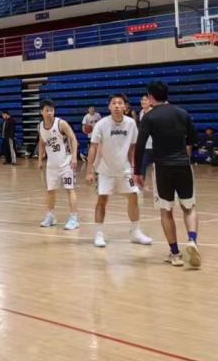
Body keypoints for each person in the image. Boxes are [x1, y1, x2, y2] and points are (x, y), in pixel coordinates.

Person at [135, 82, 201, 268]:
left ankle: (175, 253)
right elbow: (194, 139)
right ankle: (192, 240)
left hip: (163, 167)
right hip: (183, 165)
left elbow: (140, 145)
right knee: (189, 207)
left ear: (150, 97)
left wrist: (138, 171)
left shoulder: (149, 116)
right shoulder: (182, 113)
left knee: (166, 211)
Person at [86, 94, 154, 249]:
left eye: (120, 103)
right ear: (109, 106)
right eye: (113, 103)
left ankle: (135, 232)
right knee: (102, 200)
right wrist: (89, 171)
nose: (116, 105)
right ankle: (98, 233)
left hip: (125, 170)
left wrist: (135, 169)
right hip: (105, 171)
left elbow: (133, 148)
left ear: (125, 106)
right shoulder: (101, 124)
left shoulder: (131, 123)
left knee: (133, 197)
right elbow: (93, 148)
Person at [37, 100, 79, 230]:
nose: (50, 113)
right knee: (50, 191)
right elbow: (41, 142)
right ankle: (50, 216)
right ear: (41, 112)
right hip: (51, 165)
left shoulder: (61, 123)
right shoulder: (40, 126)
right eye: (47, 110)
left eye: (52, 110)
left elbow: (73, 138)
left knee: (69, 189)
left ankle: (74, 218)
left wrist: (74, 157)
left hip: (66, 163)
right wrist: (40, 159)